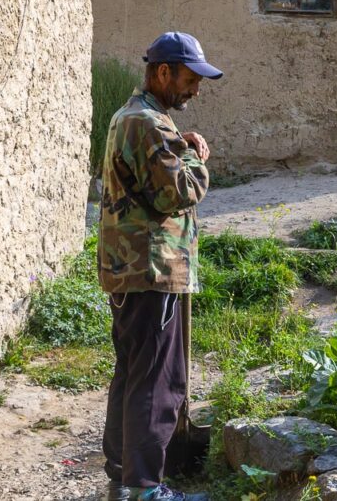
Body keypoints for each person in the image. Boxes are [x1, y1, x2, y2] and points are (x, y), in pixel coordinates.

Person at [97, 32, 223, 501]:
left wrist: (177, 143)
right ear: (163, 72)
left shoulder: (130, 118)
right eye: (190, 79)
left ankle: (123, 476)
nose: (196, 90)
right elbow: (179, 192)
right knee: (160, 381)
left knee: (134, 372)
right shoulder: (149, 124)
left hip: (131, 270)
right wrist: (194, 155)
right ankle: (145, 487)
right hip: (152, 270)